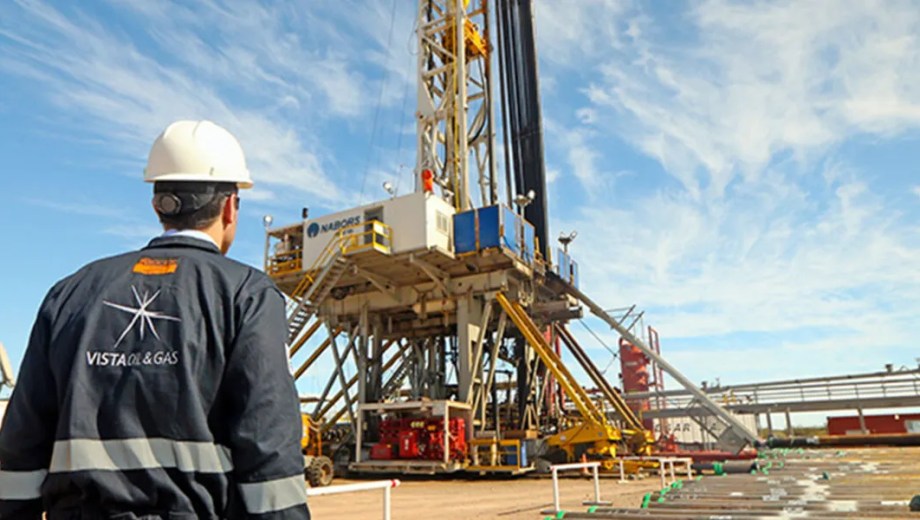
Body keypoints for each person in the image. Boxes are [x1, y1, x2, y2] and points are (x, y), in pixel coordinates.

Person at [0, 120, 310, 519]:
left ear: (157, 204)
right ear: (231, 206)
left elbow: (20, 449)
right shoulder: (246, 294)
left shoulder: (70, 292)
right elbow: (270, 458)